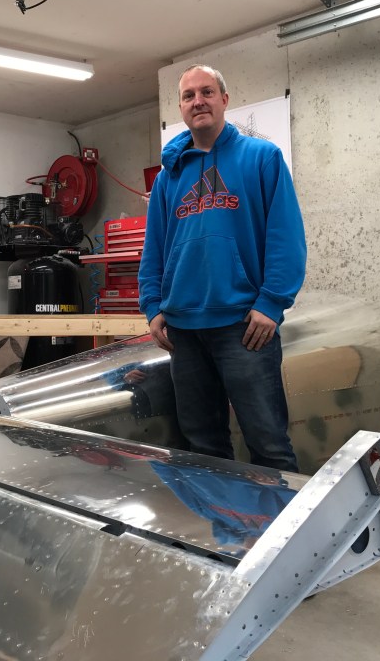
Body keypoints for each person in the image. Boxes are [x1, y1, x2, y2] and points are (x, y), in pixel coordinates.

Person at [138, 64, 306, 472]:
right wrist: (152, 306)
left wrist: (271, 303)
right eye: (189, 95)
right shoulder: (168, 178)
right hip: (183, 331)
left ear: (224, 100)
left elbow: (285, 236)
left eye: (207, 92)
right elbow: (154, 246)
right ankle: (221, 516)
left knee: (269, 446)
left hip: (244, 327)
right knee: (204, 449)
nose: (198, 101)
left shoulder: (261, 158)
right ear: (181, 107)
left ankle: (281, 516)